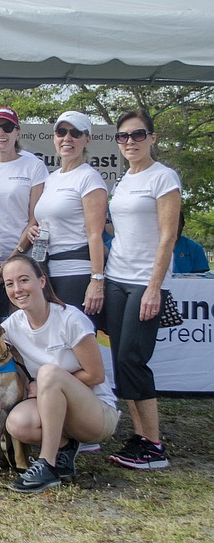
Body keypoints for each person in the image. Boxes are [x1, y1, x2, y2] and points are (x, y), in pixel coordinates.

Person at [0, 255, 118, 492]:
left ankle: (47, 464)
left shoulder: (70, 318)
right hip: (54, 408)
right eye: (9, 284)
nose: (17, 289)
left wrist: (45, 384)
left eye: (23, 280)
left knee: (48, 374)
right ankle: (65, 448)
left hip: (96, 413)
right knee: (18, 424)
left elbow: (96, 376)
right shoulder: (13, 324)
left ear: (41, 281)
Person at [105, 109, 181, 470]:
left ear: (152, 138)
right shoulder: (123, 180)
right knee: (120, 362)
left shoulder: (163, 177)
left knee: (132, 359)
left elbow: (168, 236)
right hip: (115, 277)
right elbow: (118, 228)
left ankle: (154, 446)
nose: (130, 142)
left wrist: (154, 287)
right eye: (123, 136)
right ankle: (139, 436)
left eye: (137, 135)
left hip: (144, 282)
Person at [31, 111, 107, 326]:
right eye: (61, 132)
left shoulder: (89, 178)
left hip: (76, 272)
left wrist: (97, 280)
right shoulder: (52, 178)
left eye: (75, 133)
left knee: (76, 337)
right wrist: (34, 232)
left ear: (87, 139)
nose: (67, 138)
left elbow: (95, 234)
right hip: (48, 270)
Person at [0, 106, 48, 320]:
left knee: (23, 327)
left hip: (22, 261)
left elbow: (35, 218)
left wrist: (13, 259)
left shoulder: (33, 166)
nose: (0, 133)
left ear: (17, 132)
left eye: (7, 127)